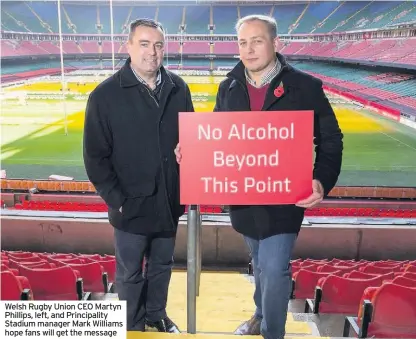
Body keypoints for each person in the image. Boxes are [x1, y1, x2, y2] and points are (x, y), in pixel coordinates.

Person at [175, 15, 343, 339]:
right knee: (259, 262)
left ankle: (271, 331)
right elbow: (217, 136)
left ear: (275, 43)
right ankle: (260, 312)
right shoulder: (229, 87)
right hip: (243, 201)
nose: (249, 49)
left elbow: (331, 139)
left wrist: (321, 180)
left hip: (284, 201)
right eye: (242, 42)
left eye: (257, 41)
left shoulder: (305, 87)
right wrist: (192, 150)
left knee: (275, 269)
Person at [83, 18, 194, 333]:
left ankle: (156, 314)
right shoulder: (104, 96)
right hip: (130, 205)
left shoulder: (178, 88)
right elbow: (95, 158)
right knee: (130, 273)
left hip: (168, 201)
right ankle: (131, 324)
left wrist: (187, 153)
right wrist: (118, 201)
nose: (152, 52)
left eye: (158, 45)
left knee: (162, 266)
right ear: (128, 46)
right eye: (144, 44)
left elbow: (191, 138)